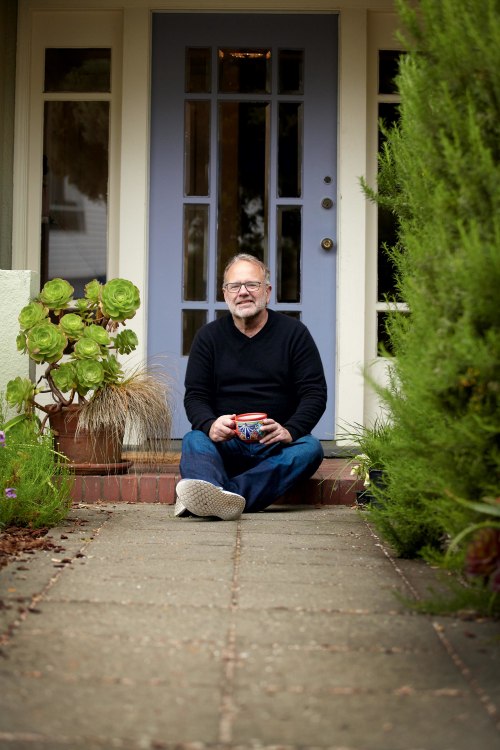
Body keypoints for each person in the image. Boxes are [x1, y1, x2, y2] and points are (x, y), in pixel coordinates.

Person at [175, 253, 327, 520]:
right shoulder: (208, 338)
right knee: (194, 439)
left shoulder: (294, 334)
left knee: (310, 448)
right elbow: (195, 397)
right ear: (225, 294)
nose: (243, 292)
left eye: (252, 285)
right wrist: (211, 425)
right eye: (235, 286)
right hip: (226, 445)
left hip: (274, 446)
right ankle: (221, 496)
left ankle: (218, 495)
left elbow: (314, 393)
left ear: (267, 292)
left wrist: (290, 431)